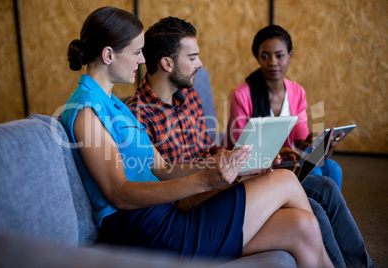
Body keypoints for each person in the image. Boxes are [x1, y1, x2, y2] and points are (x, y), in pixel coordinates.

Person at [59, 7, 332, 266]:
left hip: (163, 214)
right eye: (137, 52)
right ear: (109, 55)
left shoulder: (114, 104)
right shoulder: (86, 109)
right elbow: (119, 194)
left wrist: (218, 164)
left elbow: (162, 168)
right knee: (284, 180)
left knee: (303, 226)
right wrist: (204, 180)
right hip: (147, 230)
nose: (143, 60)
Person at [126, 17, 373, 267]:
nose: (200, 64)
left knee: (326, 186)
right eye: (192, 57)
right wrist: (224, 168)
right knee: (314, 207)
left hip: (228, 175)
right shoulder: (137, 116)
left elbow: (209, 149)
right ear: (167, 64)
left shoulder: (189, 97)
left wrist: (256, 157)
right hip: (205, 193)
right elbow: (160, 185)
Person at [223, 25, 344, 191]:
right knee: (314, 171)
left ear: (290, 55)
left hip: (286, 160)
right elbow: (240, 149)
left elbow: (301, 144)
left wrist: (319, 147)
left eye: (279, 56)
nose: (272, 62)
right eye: (265, 57)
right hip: (255, 166)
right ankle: (312, 213)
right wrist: (278, 153)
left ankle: (324, 215)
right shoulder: (242, 94)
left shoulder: (297, 92)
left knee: (332, 167)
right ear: (258, 59)